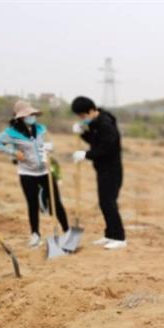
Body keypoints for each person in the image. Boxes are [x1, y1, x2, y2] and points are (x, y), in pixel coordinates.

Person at [0, 100, 70, 248]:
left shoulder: (41, 129)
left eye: (33, 114)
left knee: (57, 203)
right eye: (29, 114)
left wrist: (48, 148)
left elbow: (47, 144)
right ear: (20, 117)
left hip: (45, 171)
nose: (32, 116)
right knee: (32, 204)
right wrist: (13, 152)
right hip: (27, 173)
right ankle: (35, 234)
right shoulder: (11, 133)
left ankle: (67, 232)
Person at [71, 96, 126, 250]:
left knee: (109, 203)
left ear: (91, 111)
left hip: (112, 170)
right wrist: (83, 133)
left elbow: (106, 148)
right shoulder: (97, 123)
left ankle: (120, 238)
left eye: (82, 116)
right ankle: (110, 234)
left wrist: (86, 155)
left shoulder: (106, 124)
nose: (82, 119)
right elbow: (96, 141)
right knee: (104, 203)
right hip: (103, 169)